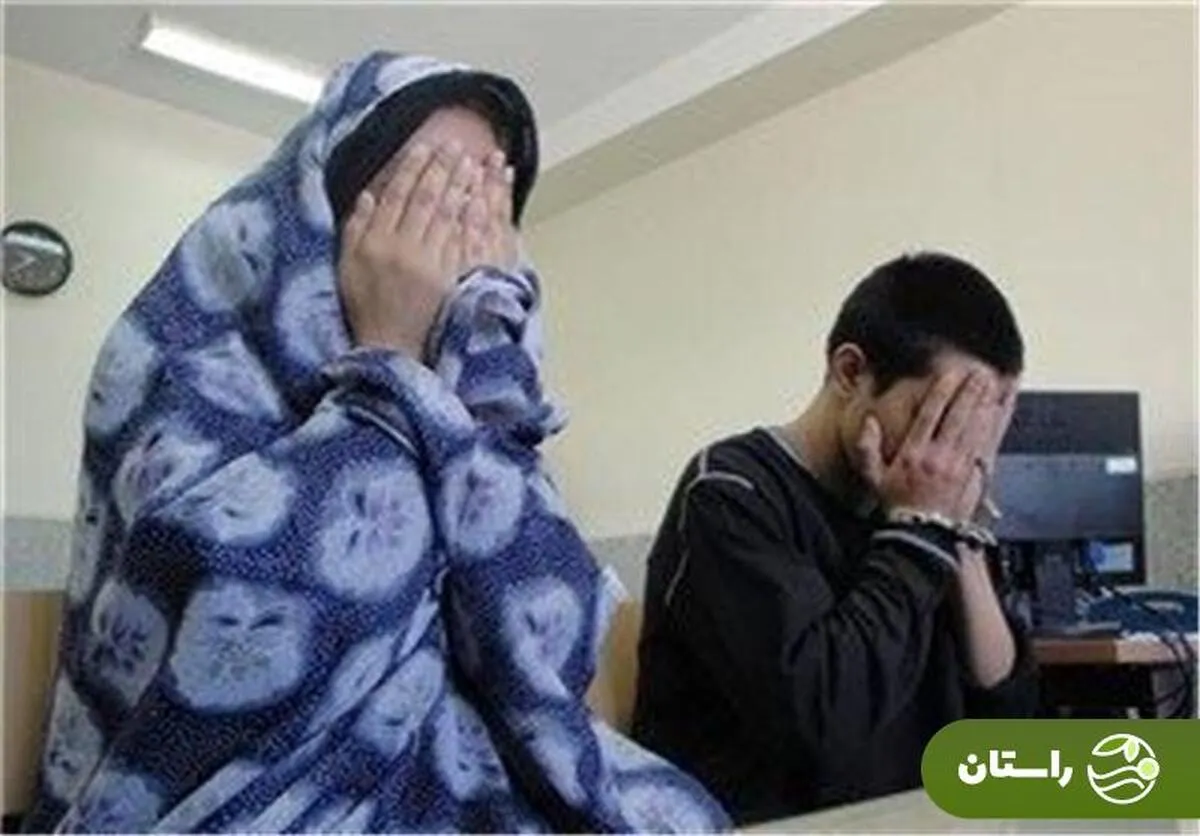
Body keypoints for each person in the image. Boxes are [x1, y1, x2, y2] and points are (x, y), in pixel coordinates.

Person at [23, 52, 729, 833]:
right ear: (317, 210)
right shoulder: (174, 353)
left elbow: (548, 655)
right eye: (413, 193)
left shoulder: (482, 398)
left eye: (479, 200)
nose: (444, 240)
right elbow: (235, 654)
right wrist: (387, 370)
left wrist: (477, 382)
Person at [631, 252, 1039, 825]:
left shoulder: (927, 500)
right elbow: (825, 725)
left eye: (973, 429)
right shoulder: (729, 492)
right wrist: (919, 529)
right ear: (850, 373)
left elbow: (1007, 726)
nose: (951, 455)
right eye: (938, 417)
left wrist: (958, 534)